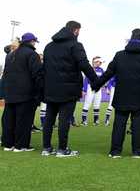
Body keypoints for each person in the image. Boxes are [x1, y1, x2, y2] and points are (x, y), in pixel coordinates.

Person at [94, 28, 140, 158]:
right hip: (139, 97)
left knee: (119, 124)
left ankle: (115, 151)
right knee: (138, 125)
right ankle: (138, 151)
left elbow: (108, 73)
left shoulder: (119, 55)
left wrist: (96, 85)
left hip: (121, 96)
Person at [42, 21, 99, 157]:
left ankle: (46, 148)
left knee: (49, 118)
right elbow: (84, 64)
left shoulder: (49, 46)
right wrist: (96, 81)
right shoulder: (75, 45)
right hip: (69, 88)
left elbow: (44, 68)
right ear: (75, 30)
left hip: (50, 88)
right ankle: (62, 149)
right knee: (64, 119)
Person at [1, 33, 43, 152]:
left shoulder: (10, 55)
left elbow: (6, 74)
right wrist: (39, 91)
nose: (35, 43)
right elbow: (37, 75)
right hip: (26, 94)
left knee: (9, 120)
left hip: (10, 93)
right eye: (34, 41)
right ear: (32, 41)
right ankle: (21, 145)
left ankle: (8, 144)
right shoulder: (32, 54)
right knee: (23, 120)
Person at [81, 56, 104, 126]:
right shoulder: (89, 69)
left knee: (97, 104)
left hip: (98, 88)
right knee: (87, 104)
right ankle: (84, 121)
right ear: (94, 62)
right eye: (98, 62)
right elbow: (85, 80)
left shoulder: (101, 70)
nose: (99, 63)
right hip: (90, 88)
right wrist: (84, 90)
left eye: (100, 62)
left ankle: (96, 120)